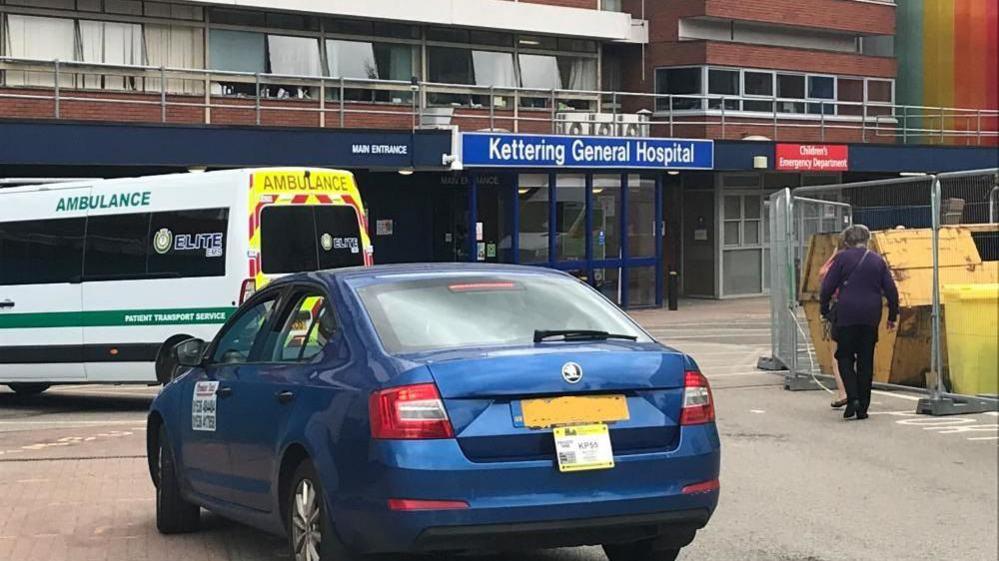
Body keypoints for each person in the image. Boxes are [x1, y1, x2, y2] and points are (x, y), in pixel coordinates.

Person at [819, 225, 899, 420]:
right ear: (868, 240)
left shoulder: (842, 259)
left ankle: (852, 397)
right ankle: (863, 407)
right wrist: (892, 316)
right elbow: (891, 290)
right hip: (871, 315)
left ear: (846, 241)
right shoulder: (878, 261)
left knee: (844, 356)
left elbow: (827, 287)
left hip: (847, 314)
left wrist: (824, 309)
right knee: (866, 360)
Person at [818, 241, 849, 409]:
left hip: (840, 309)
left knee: (837, 355)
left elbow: (823, 274)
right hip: (864, 311)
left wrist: (834, 254)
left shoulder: (838, 263)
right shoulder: (865, 260)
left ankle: (843, 392)